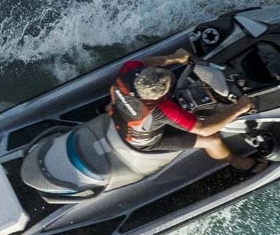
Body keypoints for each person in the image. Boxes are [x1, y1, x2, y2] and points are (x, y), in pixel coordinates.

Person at [107, 48, 263, 170]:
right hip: (142, 139)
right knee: (212, 140)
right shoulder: (164, 109)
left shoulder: (128, 72)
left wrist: (173, 58)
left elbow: (146, 63)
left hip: (121, 116)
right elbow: (205, 129)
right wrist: (239, 108)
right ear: (160, 96)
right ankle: (236, 162)